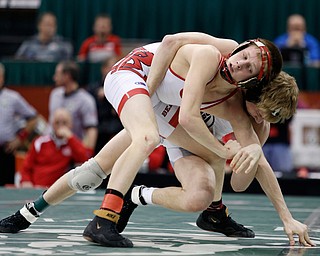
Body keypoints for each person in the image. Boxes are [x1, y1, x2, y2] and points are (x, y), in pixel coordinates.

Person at [0, 33, 313, 248]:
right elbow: (171, 42)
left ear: (253, 81)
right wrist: (148, 92)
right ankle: (104, 219)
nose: (239, 63)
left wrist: (286, 215)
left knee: (93, 172)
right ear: (256, 91)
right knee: (150, 137)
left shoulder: (238, 108)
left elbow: (250, 173)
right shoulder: (214, 52)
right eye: (263, 113)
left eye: (269, 120)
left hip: (168, 110)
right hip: (141, 74)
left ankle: (28, 212)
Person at [19, 108, 90, 188]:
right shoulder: (40, 142)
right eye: (57, 122)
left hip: (58, 190)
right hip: (37, 188)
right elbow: (26, 167)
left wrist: (70, 137)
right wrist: (26, 181)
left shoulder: (73, 143)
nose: (60, 126)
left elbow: (84, 160)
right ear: (52, 124)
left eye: (64, 123)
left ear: (71, 125)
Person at [49, 60, 98, 156]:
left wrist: (86, 155)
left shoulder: (86, 100)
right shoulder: (55, 94)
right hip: (52, 149)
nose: (54, 78)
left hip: (72, 152)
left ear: (67, 76)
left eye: (57, 74)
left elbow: (91, 130)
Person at [0, 63, 38, 186]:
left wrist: (19, 139)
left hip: (5, 151)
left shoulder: (12, 97)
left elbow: (33, 118)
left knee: (6, 188)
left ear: (2, 78)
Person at [86, 57, 123, 153]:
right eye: (110, 68)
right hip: (99, 126)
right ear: (103, 69)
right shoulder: (92, 89)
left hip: (117, 126)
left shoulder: (122, 88)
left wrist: (108, 93)